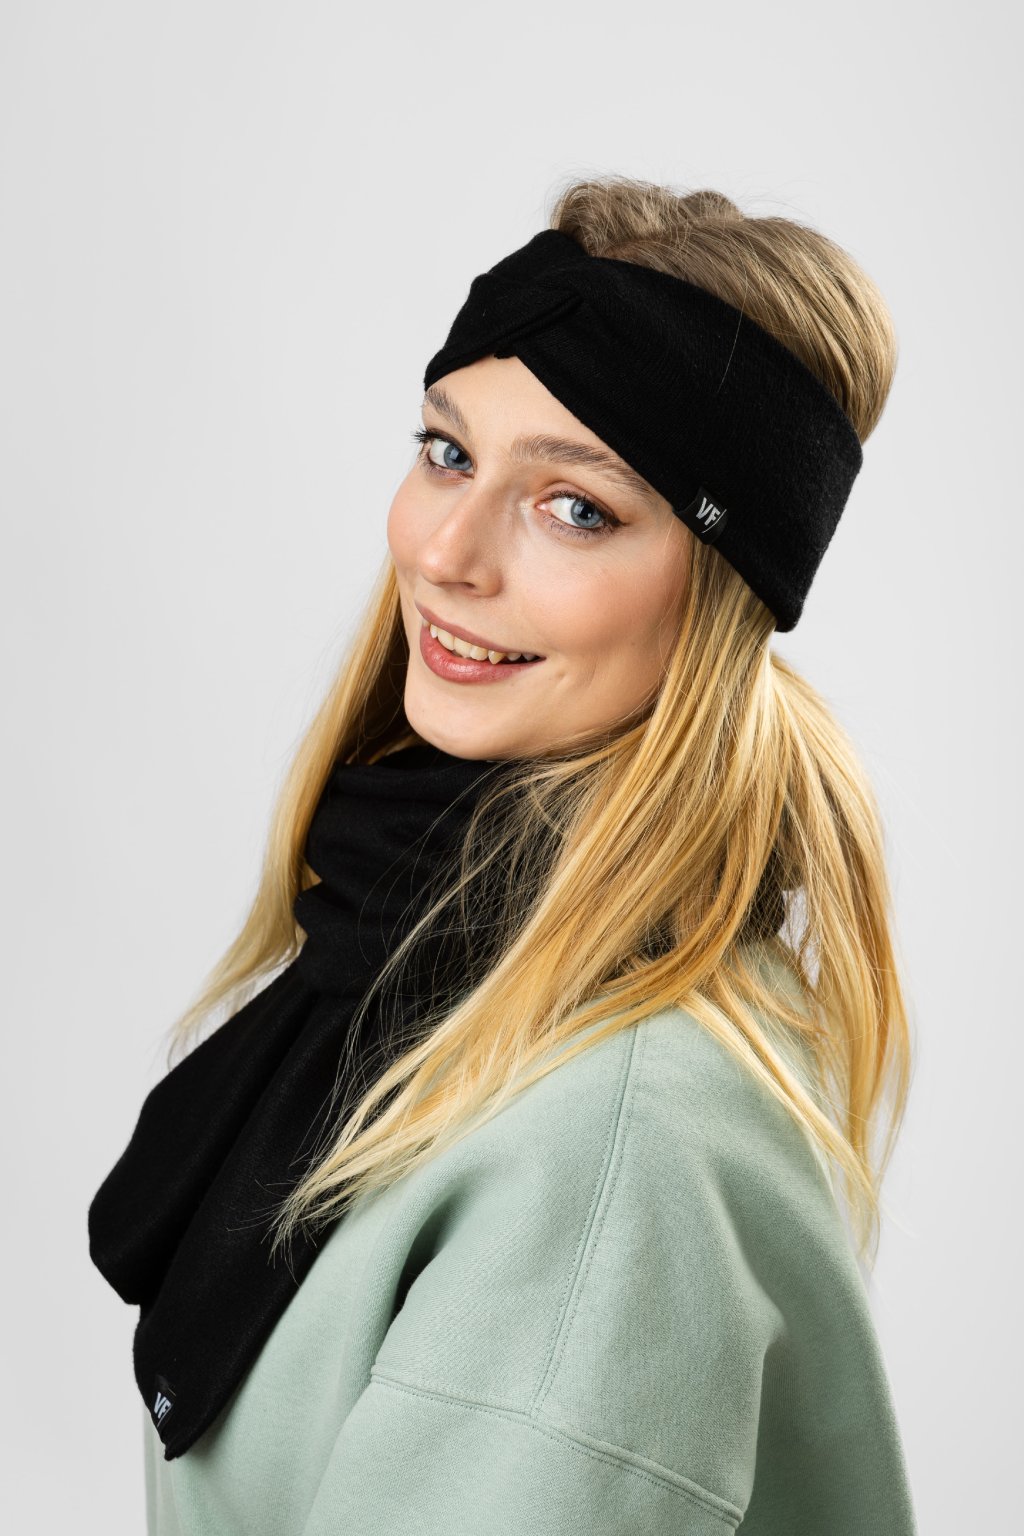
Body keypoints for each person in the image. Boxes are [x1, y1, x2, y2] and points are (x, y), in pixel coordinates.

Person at [88, 174, 919, 1534]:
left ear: (725, 592)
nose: (445, 551)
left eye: (575, 507)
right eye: (447, 450)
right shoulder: (416, 950)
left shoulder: (609, 1155)